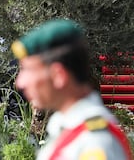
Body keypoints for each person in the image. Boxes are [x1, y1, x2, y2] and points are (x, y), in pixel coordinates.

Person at [12, 19, 132, 160]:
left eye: (28, 70)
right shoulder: (72, 129)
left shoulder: (93, 142)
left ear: (59, 76)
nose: (20, 83)